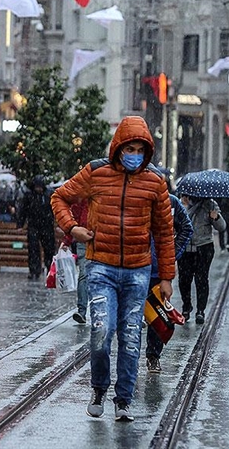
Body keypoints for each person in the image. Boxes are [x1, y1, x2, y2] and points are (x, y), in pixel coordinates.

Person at [51, 116, 175, 422]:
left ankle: (124, 399)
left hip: (137, 271)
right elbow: (60, 197)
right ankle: (99, 387)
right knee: (101, 331)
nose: (133, 153)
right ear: (118, 146)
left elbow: (164, 232)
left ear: (147, 152)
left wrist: (168, 277)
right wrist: (73, 228)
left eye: (139, 149)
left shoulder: (155, 183)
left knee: (131, 336)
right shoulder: (96, 172)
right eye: (129, 147)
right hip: (101, 267)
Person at [144, 168, 193, 373]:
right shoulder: (135, 199)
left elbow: (186, 229)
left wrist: (172, 254)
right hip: (133, 267)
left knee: (157, 316)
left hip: (157, 271)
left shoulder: (171, 202)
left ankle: (153, 356)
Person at [178, 194, 226, 324]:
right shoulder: (181, 203)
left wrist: (216, 217)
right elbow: (174, 222)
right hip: (185, 247)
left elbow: (222, 227)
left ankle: (200, 310)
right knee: (184, 279)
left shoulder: (210, 204)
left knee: (201, 279)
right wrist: (185, 207)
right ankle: (186, 306)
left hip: (204, 247)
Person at [17, 176, 57, 280]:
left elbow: (55, 210)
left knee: (49, 249)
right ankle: (34, 271)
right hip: (34, 225)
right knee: (33, 249)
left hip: (46, 225)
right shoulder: (29, 196)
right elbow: (23, 210)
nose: (38, 189)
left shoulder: (48, 195)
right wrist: (20, 224)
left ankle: (49, 269)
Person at [61, 199, 90, 324]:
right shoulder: (83, 195)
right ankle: (82, 310)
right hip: (84, 239)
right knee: (84, 274)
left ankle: (89, 311)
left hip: (99, 239)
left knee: (89, 276)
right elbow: (75, 220)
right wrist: (67, 239)